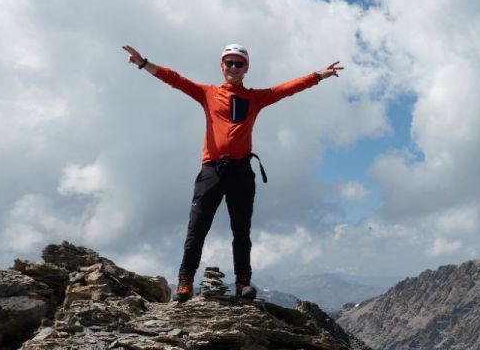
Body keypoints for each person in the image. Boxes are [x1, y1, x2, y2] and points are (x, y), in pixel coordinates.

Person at [123, 43, 342, 301]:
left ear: (246, 68)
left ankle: (242, 283)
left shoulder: (255, 98)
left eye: (239, 63)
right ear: (222, 66)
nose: (233, 67)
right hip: (212, 171)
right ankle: (185, 281)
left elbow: (286, 89)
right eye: (229, 62)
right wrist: (143, 63)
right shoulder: (207, 93)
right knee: (197, 228)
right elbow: (175, 80)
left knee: (241, 231)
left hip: (241, 171)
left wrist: (318, 76)